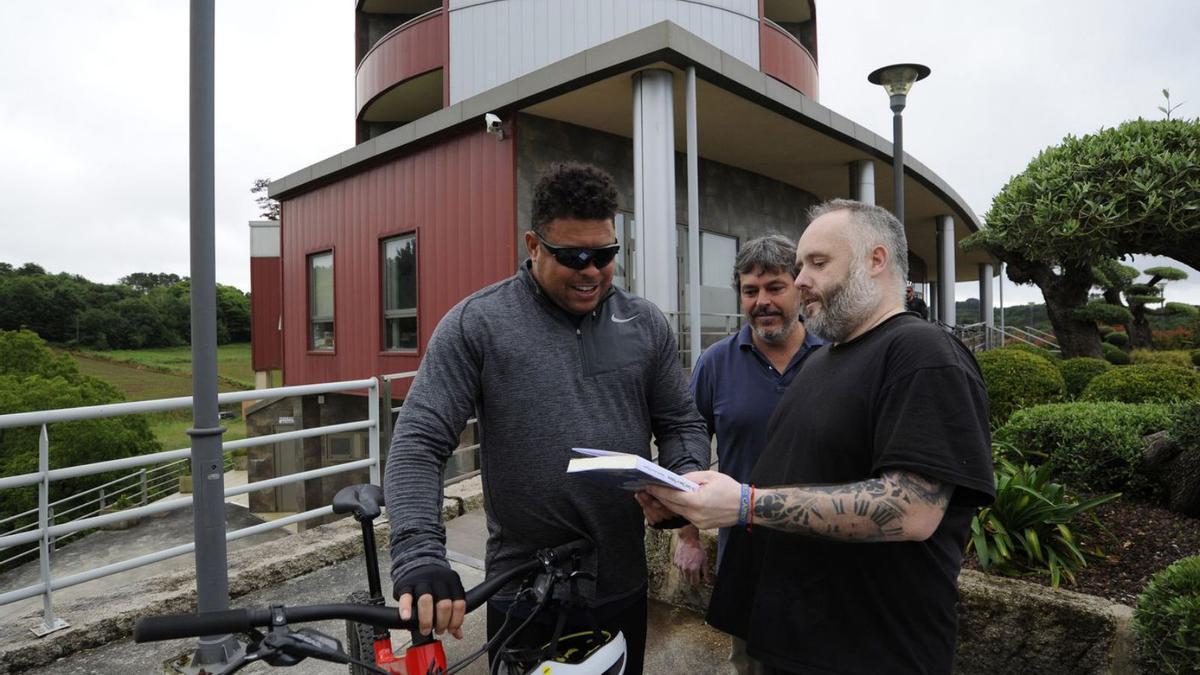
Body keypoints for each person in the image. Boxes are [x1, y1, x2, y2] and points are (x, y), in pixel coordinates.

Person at [383, 162, 710, 674]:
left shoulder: (644, 322)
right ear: (533, 244)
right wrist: (420, 554)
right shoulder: (479, 323)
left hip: (619, 582)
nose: (590, 271)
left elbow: (679, 421)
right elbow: (419, 442)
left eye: (604, 255)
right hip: (520, 591)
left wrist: (684, 481)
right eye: (572, 256)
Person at [646, 199, 995, 674]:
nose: (802, 279)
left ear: (876, 260)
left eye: (817, 263)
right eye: (800, 265)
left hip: (869, 653)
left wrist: (745, 504)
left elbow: (910, 510)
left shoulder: (923, 353)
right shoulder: (823, 361)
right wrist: (683, 503)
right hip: (784, 639)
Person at [671, 234, 822, 674]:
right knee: (753, 664)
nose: (762, 302)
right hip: (746, 557)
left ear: (798, 286)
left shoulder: (834, 359)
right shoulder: (714, 363)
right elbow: (688, 447)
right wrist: (688, 536)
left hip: (824, 553)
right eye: (750, 290)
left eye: (775, 287)